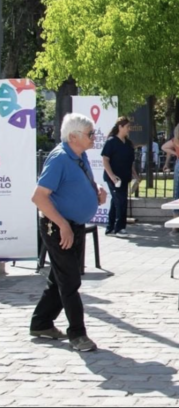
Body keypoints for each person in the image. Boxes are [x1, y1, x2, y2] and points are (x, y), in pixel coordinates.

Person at [30, 113, 108, 352]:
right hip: (58, 227)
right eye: (90, 133)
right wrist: (63, 225)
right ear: (73, 136)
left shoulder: (80, 155)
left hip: (73, 225)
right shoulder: (60, 158)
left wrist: (97, 195)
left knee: (60, 277)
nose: (94, 137)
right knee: (70, 280)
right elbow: (39, 197)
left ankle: (41, 323)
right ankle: (77, 334)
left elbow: (77, 186)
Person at [101, 117, 139, 237]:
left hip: (125, 177)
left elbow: (130, 162)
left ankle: (110, 228)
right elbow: (105, 160)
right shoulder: (111, 141)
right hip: (114, 178)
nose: (129, 129)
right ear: (120, 127)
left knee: (116, 201)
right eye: (127, 127)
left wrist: (135, 175)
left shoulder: (128, 144)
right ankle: (119, 228)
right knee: (121, 201)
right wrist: (112, 176)